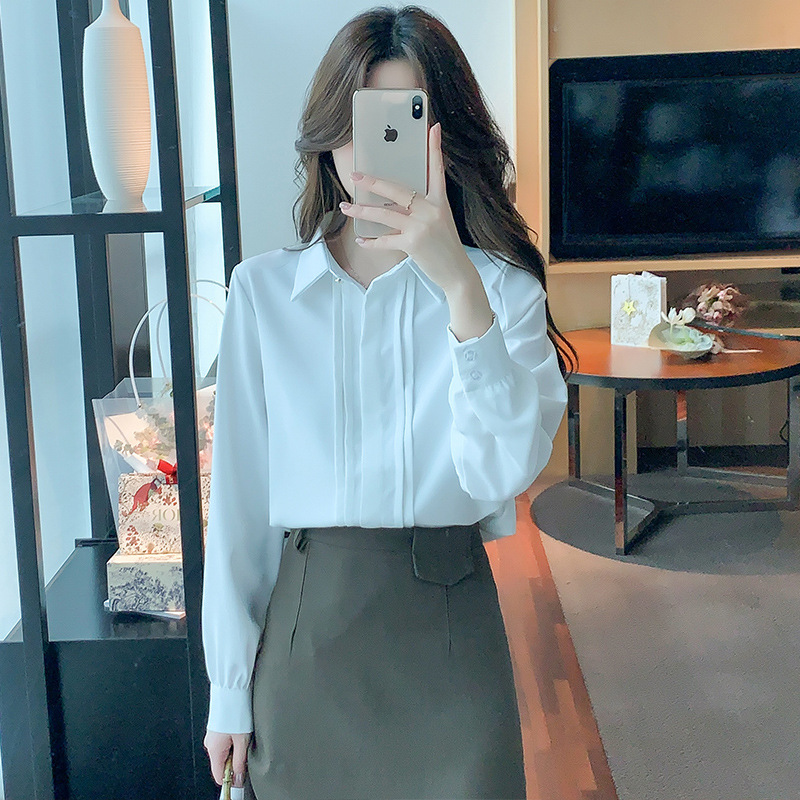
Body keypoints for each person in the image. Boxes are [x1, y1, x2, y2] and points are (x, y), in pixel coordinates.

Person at [201, 5, 575, 799]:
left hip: (450, 638)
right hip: (308, 640)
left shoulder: (502, 292)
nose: (372, 154)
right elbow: (239, 507)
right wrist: (229, 689)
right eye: (357, 126)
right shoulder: (264, 295)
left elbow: (502, 474)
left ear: (445, 137)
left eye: (403, 123)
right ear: (327, 137)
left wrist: (460, 290)